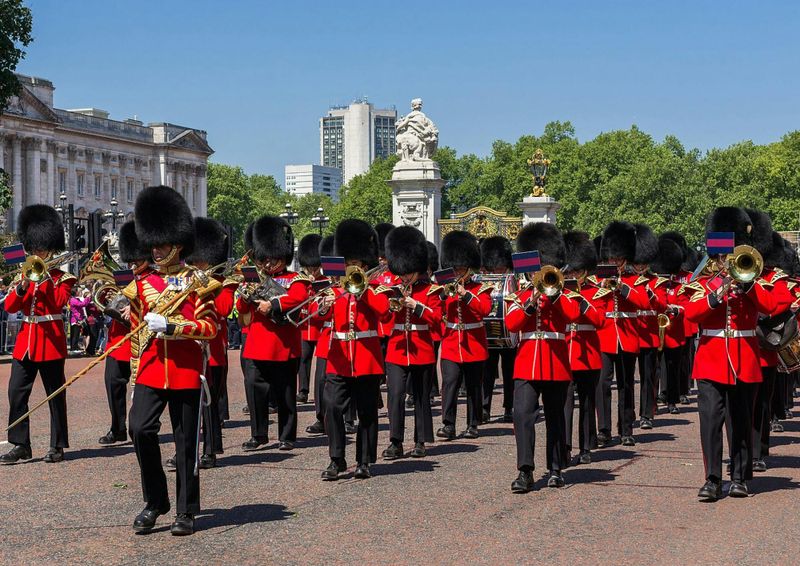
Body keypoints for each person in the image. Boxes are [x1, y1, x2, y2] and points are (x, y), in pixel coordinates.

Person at [127, 186, 217, 535]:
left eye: (161, 244)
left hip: (184, 371)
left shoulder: (199, 284)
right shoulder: (141, 284)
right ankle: (155, 501)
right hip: (151, 369)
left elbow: (209, 328)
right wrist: (135, 369)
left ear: (177, 244)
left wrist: (175, 326)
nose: (156, 249)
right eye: (154, 243)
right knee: (140, 429)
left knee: (185, 443)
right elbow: (136, 330)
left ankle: (185, 510)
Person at [687, 207, 775, 501]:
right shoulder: (704, 282)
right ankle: (712, 478)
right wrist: (717, 294)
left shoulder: (752, 280)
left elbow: (771, 305)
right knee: (710, 419)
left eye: (731, 254)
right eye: (723, 255)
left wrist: (747, 287)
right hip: (711, 360)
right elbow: (691, 313)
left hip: (744, 358)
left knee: (741, 420)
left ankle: (739, 477)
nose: (726, 260)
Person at [506, 223, 583, 493]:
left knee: (555, 418)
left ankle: (555, 469)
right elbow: (512, 323)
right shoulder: (519, 295)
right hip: (526, 363)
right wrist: (531, 303)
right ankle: (525, 471)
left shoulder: (565, 294)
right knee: (523, 417)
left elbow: (574, 315)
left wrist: (555, 295)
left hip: (556, 363)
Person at [1, 205, 76, 464]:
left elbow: (57, 303)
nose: (37, 253)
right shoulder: (25, 273)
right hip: (26, 342)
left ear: (50, 247)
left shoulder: (63, 278)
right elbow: (10, 306)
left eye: (41, 248)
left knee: (55, 393)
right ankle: (21, 444)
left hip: (50, 341)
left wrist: (43, 279)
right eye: (34, 248)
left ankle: (57, 444)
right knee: (16, 392)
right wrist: (22, 287)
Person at [319, 220, 392, 480]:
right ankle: (336, 459)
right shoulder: (333, 289)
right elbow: (318, 318)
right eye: (348, 262)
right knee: (332, 407)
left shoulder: (376, 289)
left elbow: (384, 313)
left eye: (356, 263)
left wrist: (363, 291)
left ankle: (364, 460)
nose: (352, 267)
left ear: (364, 264)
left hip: (366, 358)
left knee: (367, 412)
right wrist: (324, 305)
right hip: (339, 357)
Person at [237, 216, 311, 452]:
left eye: (273, 257)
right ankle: (258, 434)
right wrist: (244, 296)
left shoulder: (294, 279)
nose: (268, 263)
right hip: (257, 344)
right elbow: (241, 309)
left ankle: (287, 435)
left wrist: (274, 305)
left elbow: (299, 297)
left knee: (286, 393)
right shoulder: (254, 279)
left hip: (283, 345)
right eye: (264, 258)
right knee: (255, 392)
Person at [382, 226, 443, 459]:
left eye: (408, 271)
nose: (405, 275)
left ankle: (420, 441)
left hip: (422, 348)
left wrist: (416, 306)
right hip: (397, 348)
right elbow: (384, 318)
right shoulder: (391, 290)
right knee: (395, 395)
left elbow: (437, 320)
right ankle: (395, 441)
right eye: (402, 271)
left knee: (420, 397)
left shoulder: (432, 291)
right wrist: (388, 306)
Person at [744, 211, 795, 473]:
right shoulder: (734, 276)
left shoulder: (773, 278)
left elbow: (783, 302)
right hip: (740, 350)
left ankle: (759, 450)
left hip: (763, 350)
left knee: (762, 403)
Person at [185, 217, 237, 469]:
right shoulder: (185, 281)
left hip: (213, 352)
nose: (196, 265)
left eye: (200, 260)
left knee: (209, 404)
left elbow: (225, 308)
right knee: (189, 405)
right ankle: (193, 449)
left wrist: (206, 289)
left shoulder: (225, 283)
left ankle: (209, 451)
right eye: (193, 260)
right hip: (187, 349)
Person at [595, 221, 651, 447]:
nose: (615, 263)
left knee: (626, 385)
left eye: (618, 260)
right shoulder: (598, 279)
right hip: (605, 336)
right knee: (603, 384)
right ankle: (604, 429)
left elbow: (643, 302)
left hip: (627, 337)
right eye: (612, 259)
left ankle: (626, 429)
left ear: (625, 259)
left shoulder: (634, 280)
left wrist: (621, 287)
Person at [98, 221, 151, 446]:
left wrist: (135, 306)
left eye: (137, 259)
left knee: (143, 389)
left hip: (142, 340)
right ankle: (117, 427)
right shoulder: (124, 274)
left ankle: (142, 426)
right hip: (118, 340)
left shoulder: (153, 278)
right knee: (113, 384)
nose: (133, 264)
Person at [436, 230, 493, 441]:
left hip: (474, 342)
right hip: (452, 341)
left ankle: (473, 423)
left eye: (461, 268)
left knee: (473, 386)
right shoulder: (445, 287)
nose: (458, 271)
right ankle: (448, 424)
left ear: (470, 267)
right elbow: (437, 309)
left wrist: (466, 295)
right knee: (449, 383)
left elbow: (484, 309)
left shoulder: (481, 288)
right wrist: (442, 295)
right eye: (456, 267)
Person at [562, 231, 608, 465]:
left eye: (577, 271)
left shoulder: (595, 292)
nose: (573, 275)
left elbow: (600, 320)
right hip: (563, 354)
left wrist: (581, 301)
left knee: (587, 402)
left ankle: (587, 445)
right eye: (570, 271)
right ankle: (565, 446)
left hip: (588, 354)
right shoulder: (558, 290)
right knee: (565, 402)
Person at [479, 236, 516, 423]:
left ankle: (509, 407)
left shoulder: (516, 278)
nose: (498, 269)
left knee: (510, 373)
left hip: (510, 332)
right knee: (487, 372)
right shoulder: (485, 278)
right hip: (489, 333)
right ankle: (484, 407)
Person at [630, 224, 660, 430]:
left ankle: (647, 413)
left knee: (648, 376)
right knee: (628, 378)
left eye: (643, 263)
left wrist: (649, 292)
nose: (640, 267)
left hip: (649, 332)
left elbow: (662, 304)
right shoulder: (626, 280)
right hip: (631, 332)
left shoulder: (656, 281)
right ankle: (629, 413)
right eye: (637, 263)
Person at [306, 234, 335, 435]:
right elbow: (314, 312)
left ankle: (349, 417)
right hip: (327, 337)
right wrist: (323, 305)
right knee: (321, 380)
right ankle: (321, 417)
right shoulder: (325, 286)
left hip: (348, 338)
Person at [296, 233, 325, 405]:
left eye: (315, 268)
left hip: (319, 327)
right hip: (304, 326)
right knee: (303, 359)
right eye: (309, 268)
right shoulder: (302, 280)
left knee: (321, 365)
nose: (312, 271)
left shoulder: (326, 280)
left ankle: (319, 393)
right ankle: (303, 390)